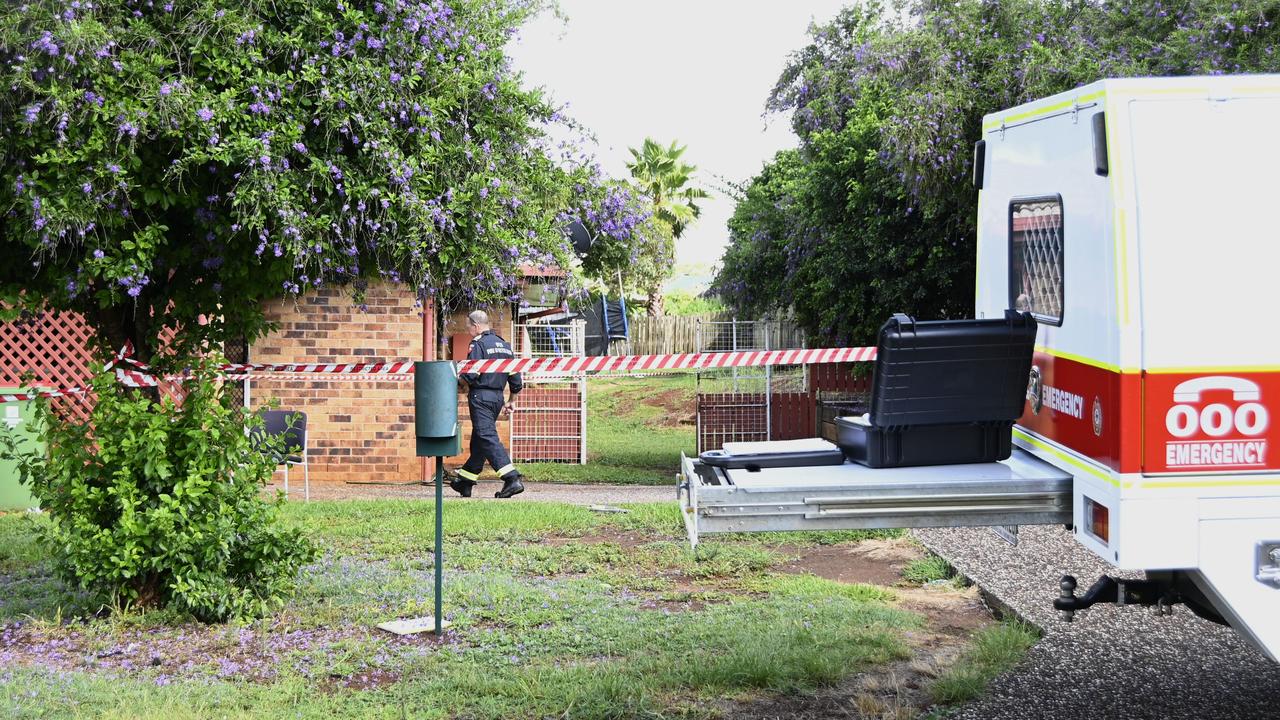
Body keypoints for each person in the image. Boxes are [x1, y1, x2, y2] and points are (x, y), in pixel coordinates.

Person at [449, 310, 525, 499]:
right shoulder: (505, 346)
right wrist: (511, 401)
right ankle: (465, 482)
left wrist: (456, 385)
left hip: (480, 397)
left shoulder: (478, 344)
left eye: (468, 327)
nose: (468, 330)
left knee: (486, 436)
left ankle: (511, 478)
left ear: (475, 325)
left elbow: (470, 374)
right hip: (497, 398)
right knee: (480, 440)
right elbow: (516, 380)